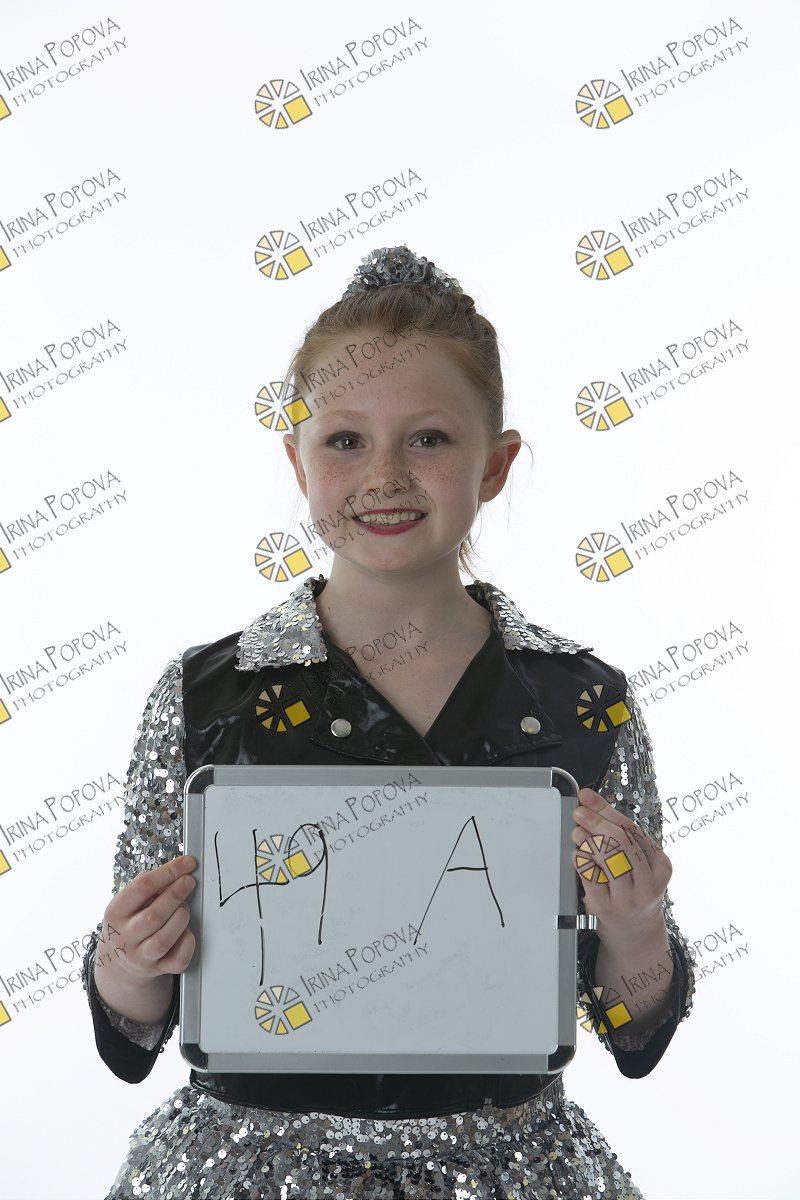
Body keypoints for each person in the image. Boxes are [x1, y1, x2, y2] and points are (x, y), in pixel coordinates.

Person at [82, 245, 697, 1200]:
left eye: (429, 439)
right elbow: (134, 1031)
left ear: (495, 466)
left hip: (513, 1173)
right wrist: (128, 959)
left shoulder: (580, 700)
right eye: (345, 442)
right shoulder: (209, 697)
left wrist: (637, 925)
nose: (385, 475)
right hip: (242, 1172)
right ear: (297, 460)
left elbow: (635, 1030)